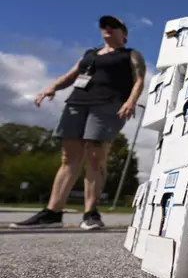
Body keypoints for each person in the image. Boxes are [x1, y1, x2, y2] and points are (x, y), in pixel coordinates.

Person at [10, 16, 146, 230]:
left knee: (95, 155)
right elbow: (71, 75)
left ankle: (90, 213)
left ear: (124, 33)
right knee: (68, 158)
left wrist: (131, 101)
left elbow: (139, 79)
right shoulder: (89, 55)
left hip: (108, 104)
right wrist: (51, 87)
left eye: (114, 26)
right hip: (77, 103)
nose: (108, 29)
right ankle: (53, 213)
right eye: (104, 26)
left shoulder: (130, 55)